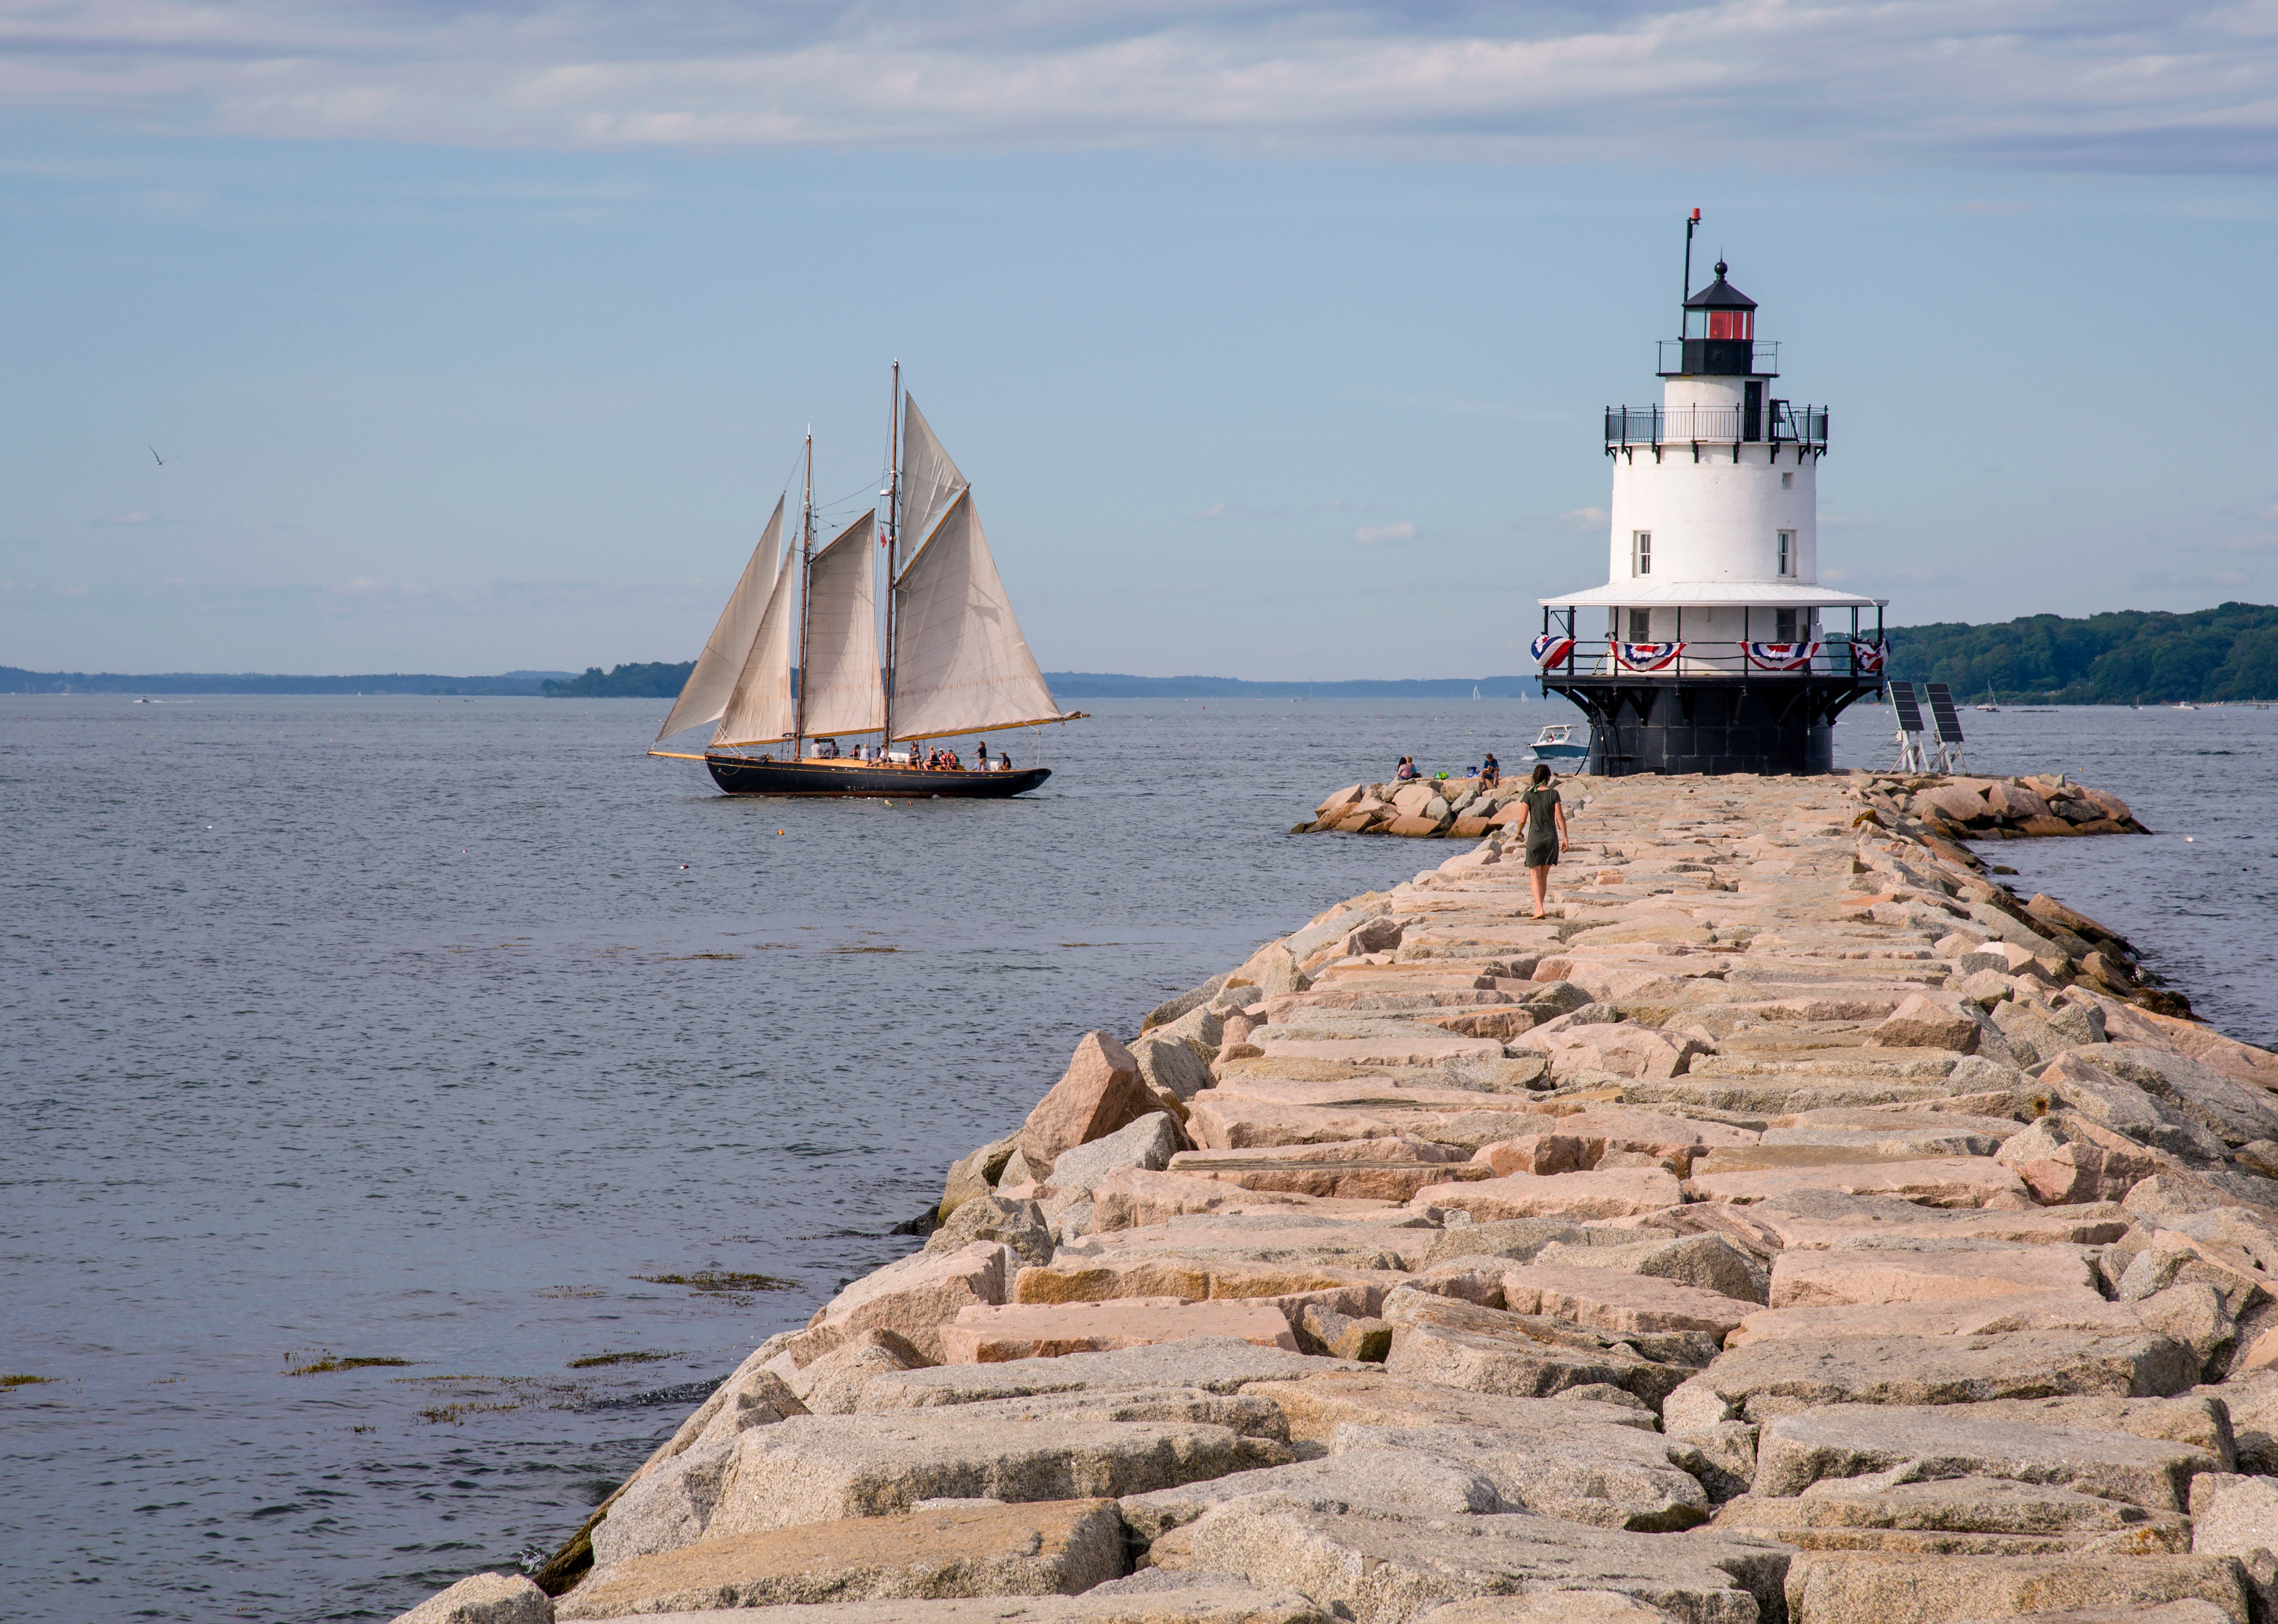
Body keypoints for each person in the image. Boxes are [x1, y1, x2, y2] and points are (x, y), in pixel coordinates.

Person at [1519, 763, 1570, 920]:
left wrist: (1518, 832)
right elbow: (1560, 817)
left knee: (1534, 877)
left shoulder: (1528, 795)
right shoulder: (1554, 794)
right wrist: (1566, 837)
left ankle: (1539, 908)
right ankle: (1538, 908)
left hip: (1535, 838)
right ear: (1548, 778)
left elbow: (1522, 820)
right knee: (1543, 878)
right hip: (1550, 839)